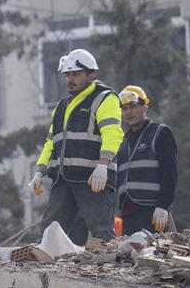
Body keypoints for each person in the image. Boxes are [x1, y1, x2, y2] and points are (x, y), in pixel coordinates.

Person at [29, 49, 123, 244]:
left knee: (101, 232)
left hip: (93, 179)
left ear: (90, 75)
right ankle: (42, 260)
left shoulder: (105, 98)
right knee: (49, 233)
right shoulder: (62, 106)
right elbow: (51, 143)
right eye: (68, 75)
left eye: (76, 74)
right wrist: (40, 171)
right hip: (63, 179)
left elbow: (112, 133)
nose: (70, 79)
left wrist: (103, 165)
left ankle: (110, 263)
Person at [115, 84, 178, 234]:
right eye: (124, 108)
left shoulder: (159, 133)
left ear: (145, 107)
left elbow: (170, 173)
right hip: (127, 213)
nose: (128, 112)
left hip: (152, 212)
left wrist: (163, 205)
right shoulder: (123, 142)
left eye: (133, 106)